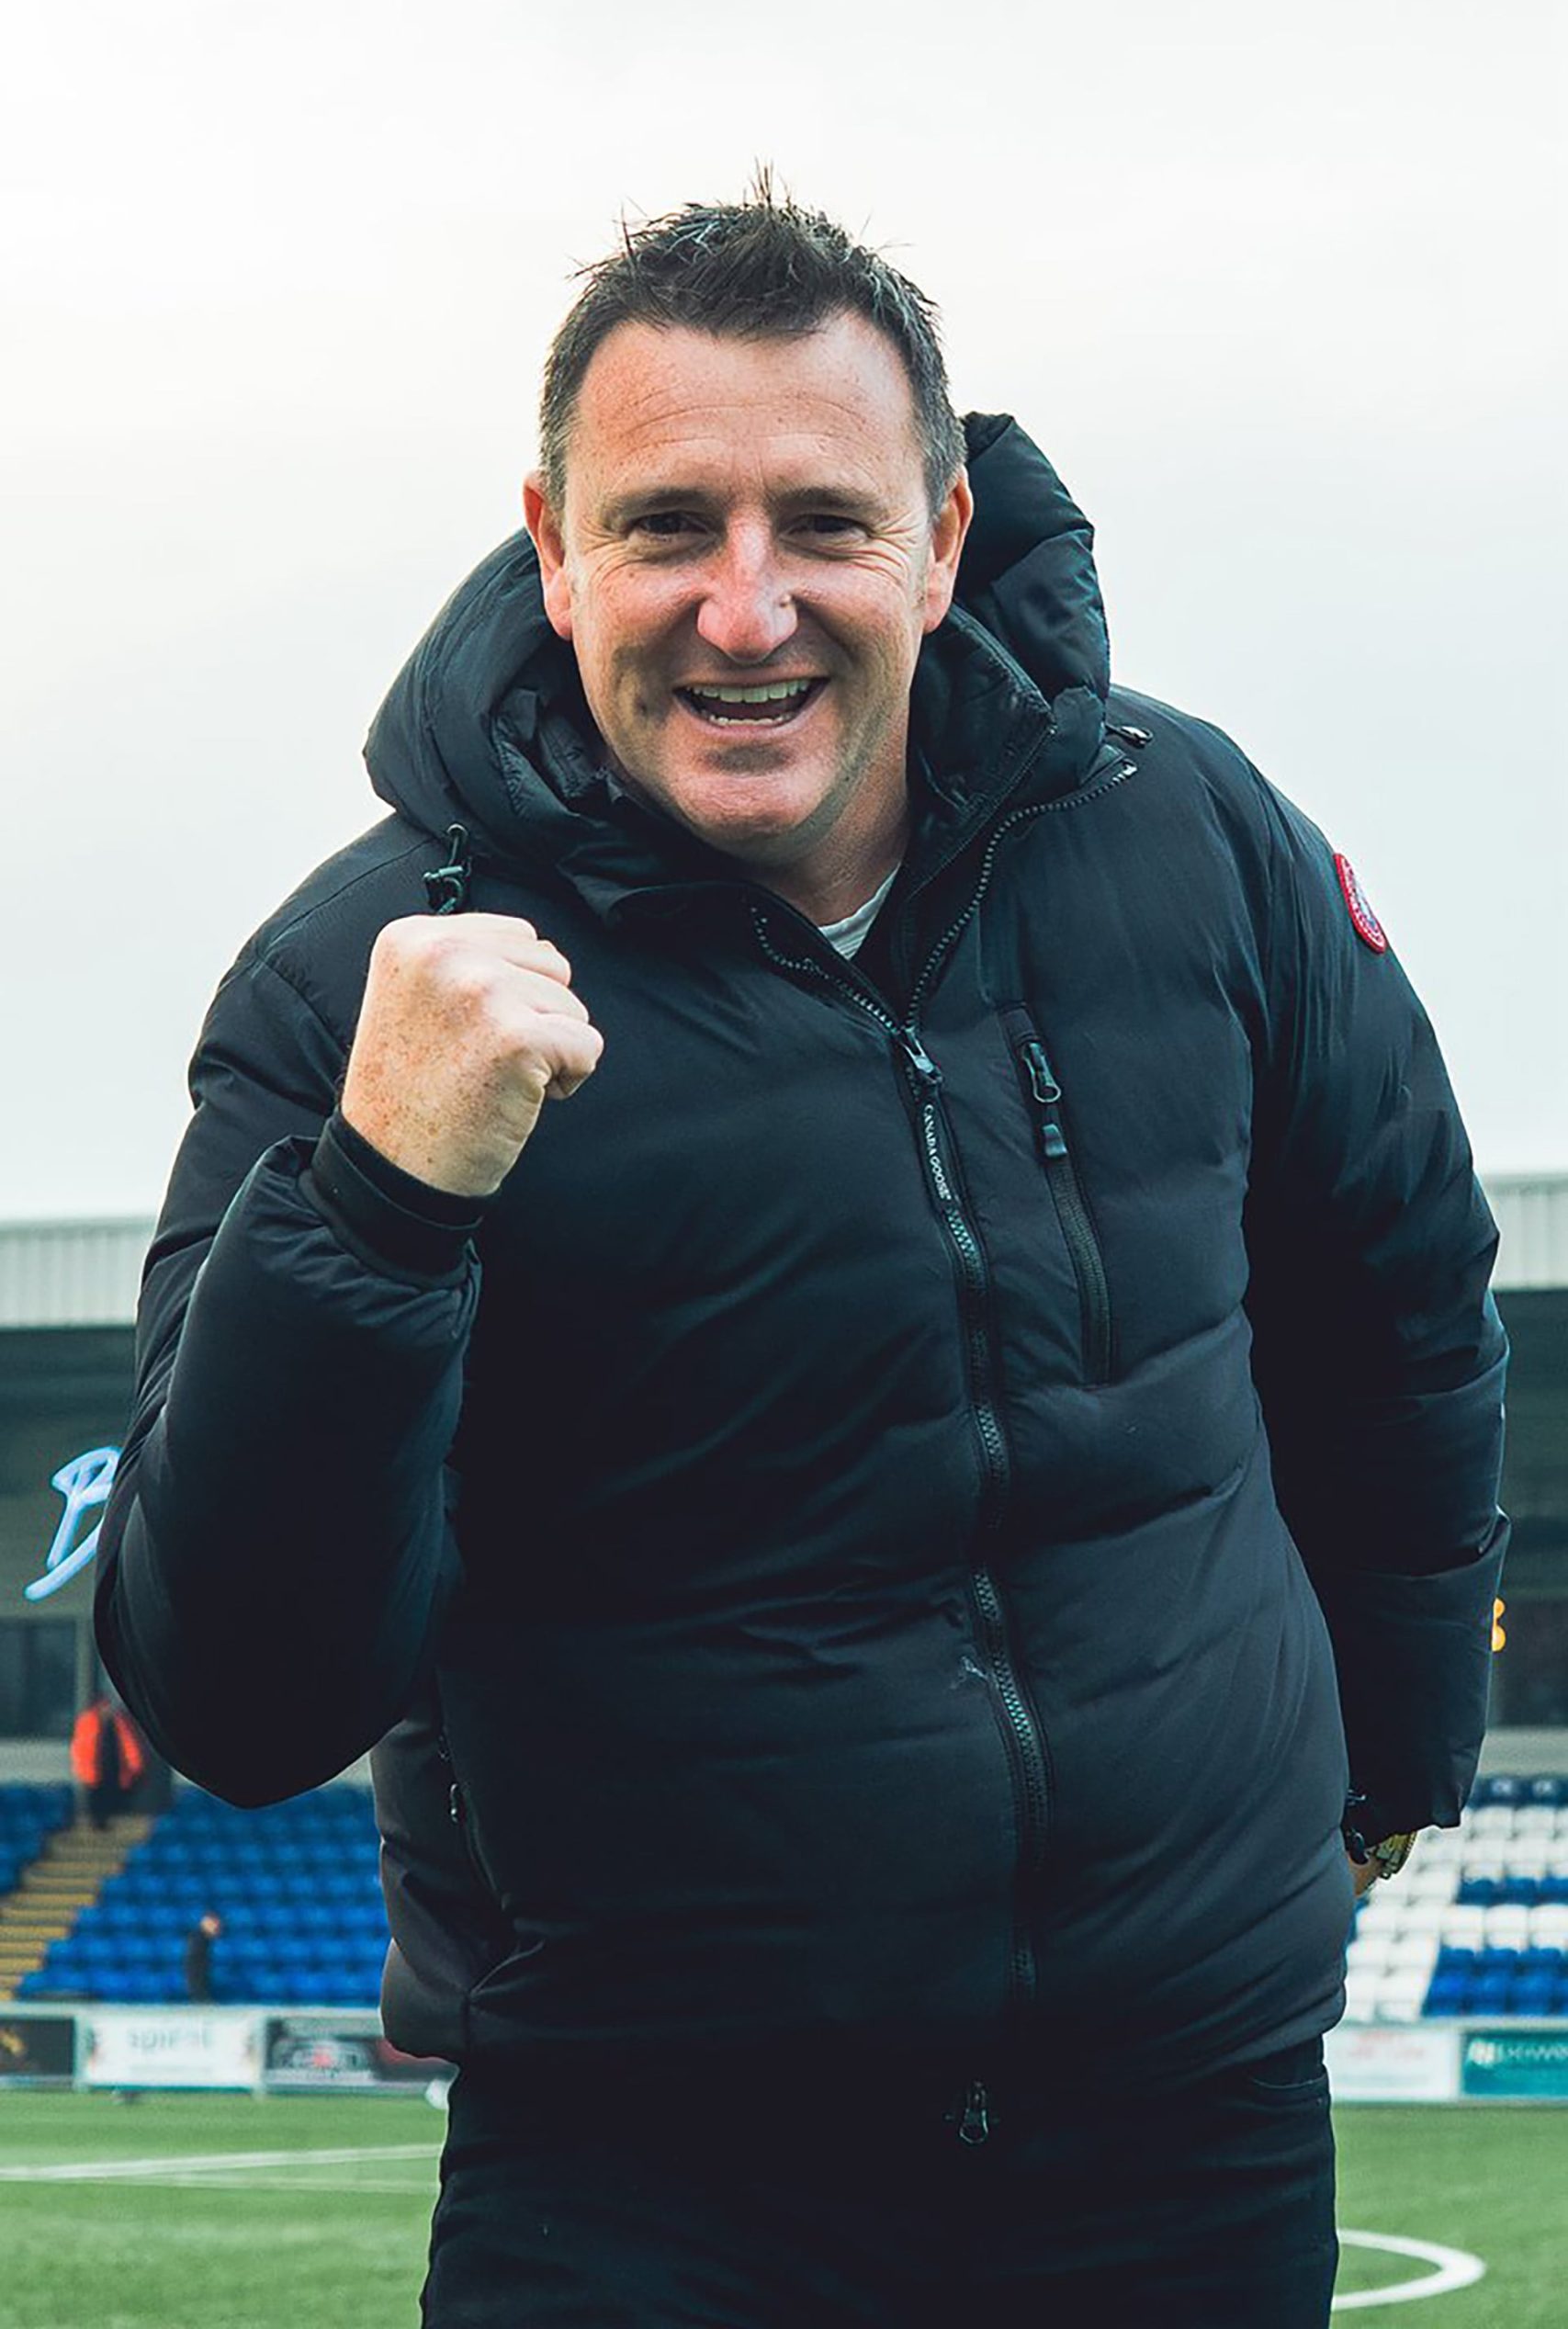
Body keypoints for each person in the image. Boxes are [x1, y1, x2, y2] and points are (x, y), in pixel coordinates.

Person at [94, 187, 1508, 2326]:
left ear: (938, 540)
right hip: (648, 2172)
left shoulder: (1192, 837)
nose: (742, 608)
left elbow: (1391, 1309)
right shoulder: (357, 987)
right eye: (666, 524)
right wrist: (378, 1202)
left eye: (822, 525)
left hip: (1182, 2123)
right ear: (552, 548)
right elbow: (238, 1691)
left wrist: (1392, 1749)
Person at [70, 1693, 144, 1832]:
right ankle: (98, 1823)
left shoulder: (119, 1723)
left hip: (114, 1770)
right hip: (95, 1770)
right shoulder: (89, 1721)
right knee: (96, 1799)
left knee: (114, 1797)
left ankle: (108, 1822)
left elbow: (129, 1745)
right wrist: (83, 1768)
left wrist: (134, 1764)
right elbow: (83, 1747)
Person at [184, 1909, 222, 2003]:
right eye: (213, 1924)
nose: (217, 1927)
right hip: (197, 1982)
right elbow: (194, 1965)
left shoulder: (205, 1940)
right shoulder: (197, 1940)